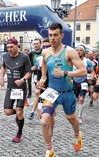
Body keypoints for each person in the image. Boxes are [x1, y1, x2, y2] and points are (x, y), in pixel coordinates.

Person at [39, 23, 86, 156]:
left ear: (62, 35)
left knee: (71, 118)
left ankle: (77, 135)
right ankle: (49, 150)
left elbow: (83, 71)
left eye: (55, 35)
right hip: (52, 92)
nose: (52, 38)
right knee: (44, 121)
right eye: (50, 35)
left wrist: (65, 73)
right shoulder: (45, 52)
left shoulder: (69, 51)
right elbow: (43, 62)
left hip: (67, 93)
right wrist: (43, 77)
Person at [0, 38, 31, 143]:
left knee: (19, 111)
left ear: (17, 46)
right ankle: (19, 115)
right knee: (7, 112)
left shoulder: (24, 57)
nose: (9, 49)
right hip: (10, 87)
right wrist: (1, 78)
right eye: (8, 47)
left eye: (11, 47)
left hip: (21, 88)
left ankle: (19, 133)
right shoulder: (5, 56)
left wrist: (23, 80)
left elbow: (29, 72)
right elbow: (3, 67)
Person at [28, 38, 50, 120]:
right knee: (38, 93)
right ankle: (33, 112)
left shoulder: (51, 55)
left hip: (51, 82)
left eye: (37, 43)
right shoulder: (34, 55)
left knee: (44, 97)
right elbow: (30, 66)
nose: (36, 45)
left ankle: (40, 111)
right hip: (38, 76)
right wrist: (31, 69)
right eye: (34, 44)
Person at [73, 45, 94, 124]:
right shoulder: (72, 61)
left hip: (84, 82)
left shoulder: (87, 61)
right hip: (74, 82)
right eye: (77, 50)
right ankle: (73, 115)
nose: (78, 52)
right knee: (74, 100)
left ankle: (79, 117)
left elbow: (92, 71)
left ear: (84, 52)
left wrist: (92, 77)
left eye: (80, 50)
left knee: (81, 99)